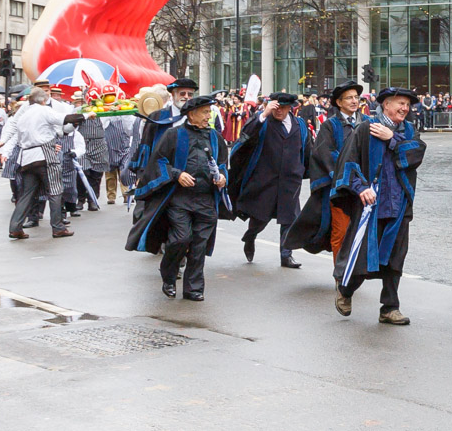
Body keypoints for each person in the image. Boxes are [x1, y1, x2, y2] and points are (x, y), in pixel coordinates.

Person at [332, 87, 427, 325]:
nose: (405, 108)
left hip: (399, 205)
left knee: (396, 259)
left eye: (407, 105)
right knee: (364, 258)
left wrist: (391, 139)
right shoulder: (365, 129)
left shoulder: (407, 130)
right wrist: (360, 187)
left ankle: (389, 308)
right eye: (400, 103)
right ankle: (346, 289)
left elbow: (416, 154)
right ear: (386, 104)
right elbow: (348, 162)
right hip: (371, 207)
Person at [125, 96, 230, 301]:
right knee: (180, 239)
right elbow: (159, 161)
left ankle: (193, 289)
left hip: (206, 199)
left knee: (199, 245)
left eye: (209, 112)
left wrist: (223, 177)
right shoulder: (175, 135)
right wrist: (177, 174)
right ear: (191, 114)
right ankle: (169, 274)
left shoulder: (215, 137)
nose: (209, 116)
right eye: (205, 112)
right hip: (180, 200)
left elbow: (223, 163)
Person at [228, 93, 313, 269]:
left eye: (283, 107)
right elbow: (246, 135)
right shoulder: (264, 123)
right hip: (265, 179)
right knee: (260, 218)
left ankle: (286, 255)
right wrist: (263, 114)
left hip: (290, 180)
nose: (279, 110)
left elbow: (307, 151)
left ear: (292, 108)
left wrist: (303, 171)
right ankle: (250, 236)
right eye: (276, 106)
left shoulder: (301, 126)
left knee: (290, 218)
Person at [284, 81, 365, 259]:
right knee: (341, 232)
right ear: (339, 102)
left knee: (362, 233)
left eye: (356, 97)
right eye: (349, 98)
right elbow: (325, 153)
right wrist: (348, 174)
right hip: (340, 189)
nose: (354, 101)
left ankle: (354, 272)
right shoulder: (331, 126)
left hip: (365, 189)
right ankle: (340, 275)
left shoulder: (367, 123)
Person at [0, 88, 89, 239]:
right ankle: (58, 227)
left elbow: (61, 131)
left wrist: (4, 146)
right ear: (43, 100)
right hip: (45, 155)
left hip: (27, 158)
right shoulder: (44, 111)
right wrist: (86, 115)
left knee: (26, 194)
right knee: (55, 190)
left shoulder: (23, 116)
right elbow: (65, 119)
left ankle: (15, 227)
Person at [103, 115, 133, 204]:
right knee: (110, 175)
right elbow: (102, 125)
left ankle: (126, 195)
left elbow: (130, 129)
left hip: (124, 149)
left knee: (124, 173)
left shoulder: (126, 116)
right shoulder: (106, 118)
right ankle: (111, 196)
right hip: (109, 149)